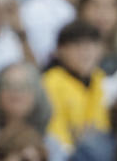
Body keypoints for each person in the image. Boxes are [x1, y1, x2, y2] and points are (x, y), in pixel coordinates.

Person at [42, 20, 108, 149]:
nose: (85, 53)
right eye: (77, 46)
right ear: (60, 50)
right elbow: (57, 137)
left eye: (91, 45)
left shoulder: (99, 78)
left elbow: (102, 128)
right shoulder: (51, 82)